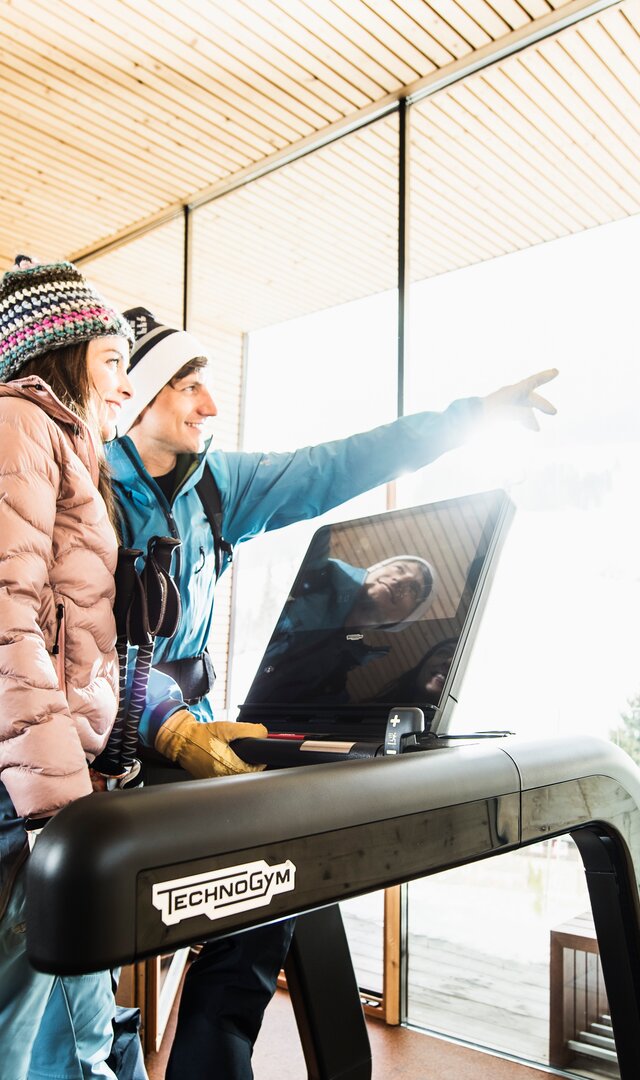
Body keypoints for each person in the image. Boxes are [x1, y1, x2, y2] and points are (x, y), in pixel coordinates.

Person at [106, 305, 558, 1079]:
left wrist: (469, 419)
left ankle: (209, 1064)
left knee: (290, 862)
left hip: (195, 733)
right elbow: (63, 646)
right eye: (188, 386)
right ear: (138, 394)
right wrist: (164, 723)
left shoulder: (217, 489)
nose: (210, 406)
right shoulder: (87, 485)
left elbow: (337, 464)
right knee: (67, 990)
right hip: (104, 738)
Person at [0, 255, 135, 1080]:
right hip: (22, 790)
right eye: (113, 359)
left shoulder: (63, 442)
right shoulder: (19, 426)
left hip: (43, 777)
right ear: (61, 348)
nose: (124, 384)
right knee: (18, 1022)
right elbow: (6, 617)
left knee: (77, 1021)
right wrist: (55, 806)